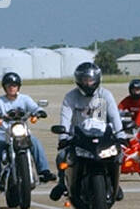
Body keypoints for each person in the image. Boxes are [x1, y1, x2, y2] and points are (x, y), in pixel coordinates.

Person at [53, 62, 130, 200]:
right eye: (85, 80)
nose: (88, 83)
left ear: (97, 80)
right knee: (61, 156)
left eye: (91, 80)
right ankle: (62, 183)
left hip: (103, 136)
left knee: (118, 154)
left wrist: (121, 135)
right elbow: (65, 117)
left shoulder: (105, 94)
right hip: (78, 137)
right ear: (78, 80)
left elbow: (114, 116)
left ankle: (115, 184)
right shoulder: (70, 97)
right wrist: (63, 137)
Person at [0, 71, 55, 185]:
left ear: (18, 87)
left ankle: (44, 171)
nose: (12, 88)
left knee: (35, 142)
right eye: (9, 86)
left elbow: (34, 107)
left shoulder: (25, 99)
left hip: (22, 132)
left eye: (14, 85)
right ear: (4, 87)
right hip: (4, 132)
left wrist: (39, 112)